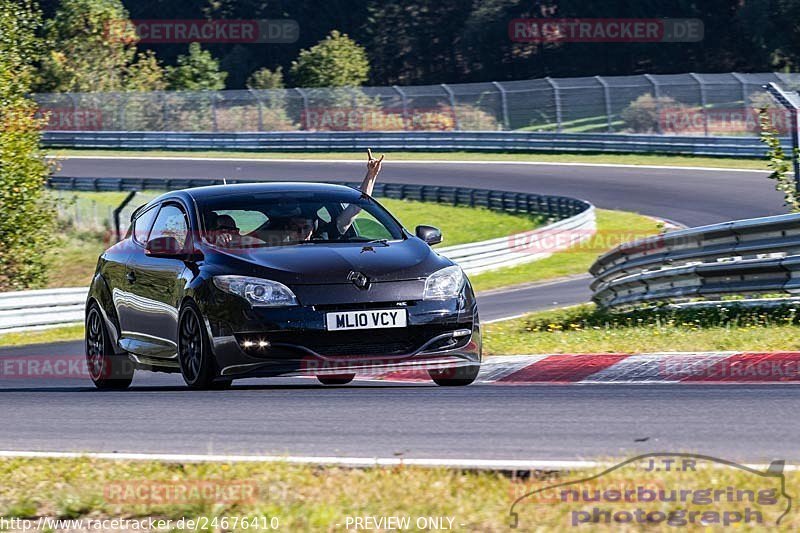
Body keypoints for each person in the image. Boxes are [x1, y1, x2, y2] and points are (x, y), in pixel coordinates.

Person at [268, 148, 384, 243]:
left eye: (305, 228)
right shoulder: (275, 247)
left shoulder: (329, 234)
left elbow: (356, 206)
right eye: (296, 229)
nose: (301, 233)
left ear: (313, 228)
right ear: (288, 229)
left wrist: (371, 175)